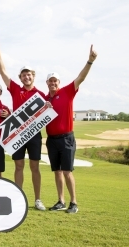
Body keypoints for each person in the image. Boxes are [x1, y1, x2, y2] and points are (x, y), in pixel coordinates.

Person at [0, 35, 46, 211]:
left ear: (33, 76)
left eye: (29, 74)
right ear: (21, 78)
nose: (26, 77)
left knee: (35, 167)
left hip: (35, 135)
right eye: (23, 75)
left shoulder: (41, 95)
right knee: (19, 166)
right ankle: (18, 197)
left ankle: (37, 199)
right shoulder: (16, 89)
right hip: (17, 134)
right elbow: (2, 71)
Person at [46, 45, 97, 214]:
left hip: (66, 138)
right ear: (47, 83)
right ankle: (61, 200)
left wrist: (90, 61)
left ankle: (73, 202)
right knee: (57, 171)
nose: (53, 83)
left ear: (58, 83)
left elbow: (81, 77)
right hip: (51, 140)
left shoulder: (67, 91)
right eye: (50, 81)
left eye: (55, 81)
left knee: (67, 171)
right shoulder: (44, 100)